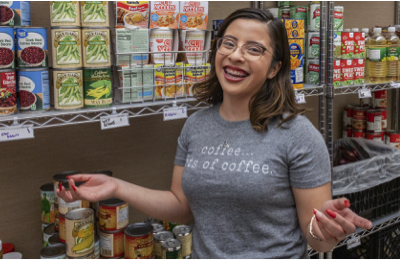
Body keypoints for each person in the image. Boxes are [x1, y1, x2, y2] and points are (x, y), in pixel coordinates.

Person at [57, 8, 372, 259]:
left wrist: (327, 232)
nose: (236, 55)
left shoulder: (298, 134)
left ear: (274, 68)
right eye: (229, 43)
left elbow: (315, 238)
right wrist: (117, 186)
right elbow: (182, 206)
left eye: (254, 49)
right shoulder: (197, 125)